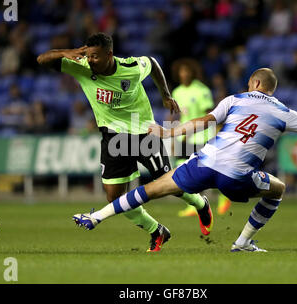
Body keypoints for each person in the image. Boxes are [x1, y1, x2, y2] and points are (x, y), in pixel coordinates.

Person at [73, 68, 297, 252]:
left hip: (204, 163)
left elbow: (203, 121)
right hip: (237, 177)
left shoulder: (236, 99)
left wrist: (168, 132)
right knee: (278, 188)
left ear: (254, 83)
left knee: (149, 190)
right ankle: (242, 242)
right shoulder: (285, 112)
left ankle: (95, 217)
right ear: (271, 88)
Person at [37, 33, 212, 252]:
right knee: (114, 198)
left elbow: (153, 63)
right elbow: (41, 60)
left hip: (144, 132)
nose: (90, 61)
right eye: (88, 56)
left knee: (168, 184)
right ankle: (156, 231)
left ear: (109, 55)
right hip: (113, 138)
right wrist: (65, 53)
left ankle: (200, 204)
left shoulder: (131, 67)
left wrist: (165, 95)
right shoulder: (81, 67)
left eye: (96, 57)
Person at [170, 58, 231, 217]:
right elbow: (179, 116)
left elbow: (209, 114)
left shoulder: (202, 90)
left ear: (192, 73)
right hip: (185, 136)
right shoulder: (177, 92)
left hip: (201, 135)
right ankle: (195, 203)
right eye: (181, 71)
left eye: (187, 71)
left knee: (205, 171)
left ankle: (224, 195)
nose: (184, 74)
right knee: (181, 169)